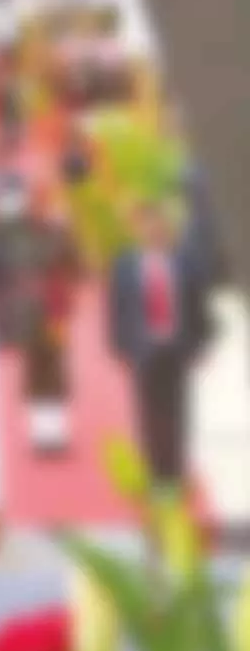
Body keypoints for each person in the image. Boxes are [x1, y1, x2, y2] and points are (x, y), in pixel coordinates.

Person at [108, 203, 211, 487]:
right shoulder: (126, 265)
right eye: (148, 226)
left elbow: (198, 307)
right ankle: (156, 472)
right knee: (148, 410)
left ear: (168, 230)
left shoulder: (185, 263)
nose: (154, 232)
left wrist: (201, 344)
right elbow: (117, 308)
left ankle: (175, 471)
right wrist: (119, 346)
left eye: (159, 227)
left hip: (177, 346)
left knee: (178, 408)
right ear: (140, 230)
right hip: (144, 348)